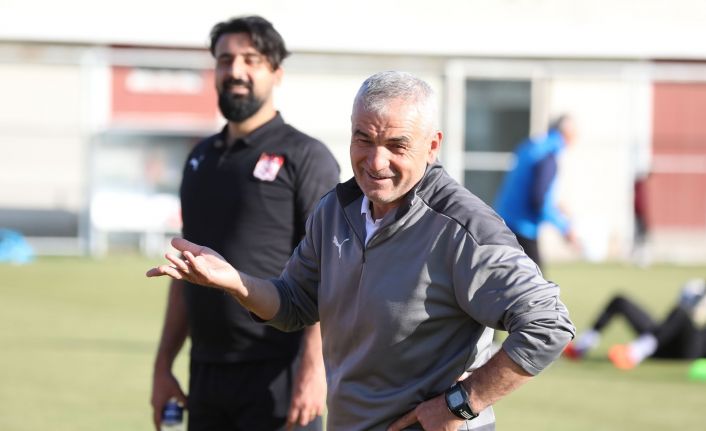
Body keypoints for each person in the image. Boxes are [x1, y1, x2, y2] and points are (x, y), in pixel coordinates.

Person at [147, 71, 575, 431]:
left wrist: (462, 404)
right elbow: (293, 304)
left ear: (432, 145)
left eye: (396, 146)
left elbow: (548, 324)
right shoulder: (336, 209)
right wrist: (235, 281)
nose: (375, 161)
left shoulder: (462, 226)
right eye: (363, 139)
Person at [150, 16, 339, 431]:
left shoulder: (306, 157)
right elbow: (185, 271)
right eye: (225, 60)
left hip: (280, 373)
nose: (236, 70)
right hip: (207, 374)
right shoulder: (200, 158)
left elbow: (330, 270)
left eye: (251, 60)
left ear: (277, 73)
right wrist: (163, 366)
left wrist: (315, 368)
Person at [493, 115, 578, 271]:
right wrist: (565, 227)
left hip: (505, 220)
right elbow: (538, 200)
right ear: (567, 134)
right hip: (522, 228)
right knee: (536, 282)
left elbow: (529, 187)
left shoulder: (531, 146)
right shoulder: (549, 157)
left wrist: (556, 206)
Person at [564, 278, 706, 370]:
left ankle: (634, 353)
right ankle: (581, 347)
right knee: (620, 300)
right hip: (660, 343)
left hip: (687, 352)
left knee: (680, 313)